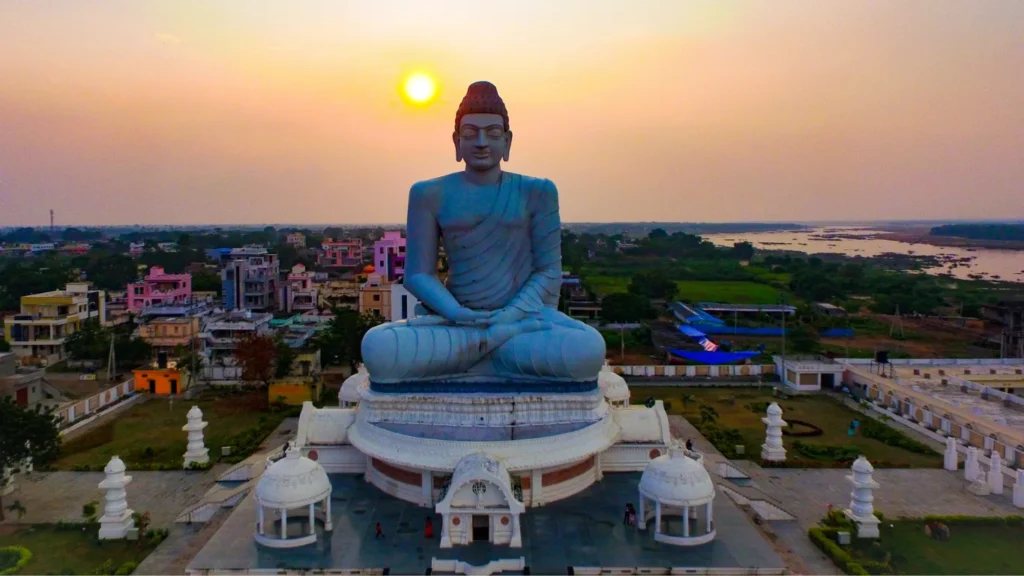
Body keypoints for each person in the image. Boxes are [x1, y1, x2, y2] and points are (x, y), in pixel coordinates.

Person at [360, 81, 606, 387]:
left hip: (520, 322)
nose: (480, 142)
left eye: (492, 134)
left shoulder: (537, 191)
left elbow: (548, 271)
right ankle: (493, 352)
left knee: (587, 350)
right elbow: (418, 275)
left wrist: (508, 317)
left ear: (507, 141)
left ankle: (477, 353)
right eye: (469, 133)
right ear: (456, 142)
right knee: (378, 347)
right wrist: (458, 313)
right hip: (455, 323)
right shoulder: (428, 193)